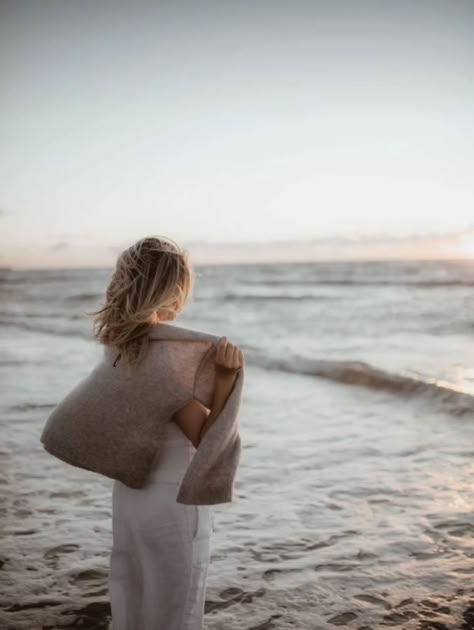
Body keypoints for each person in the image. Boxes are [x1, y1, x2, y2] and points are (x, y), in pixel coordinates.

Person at [88, 235, 244, 630]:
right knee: (172, 612)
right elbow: (205, 438)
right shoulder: (164, 359)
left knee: (134, 599)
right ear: (172, 289)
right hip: (172, 503)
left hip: (131, 497)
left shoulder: (121, 348)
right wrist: (225, 377)